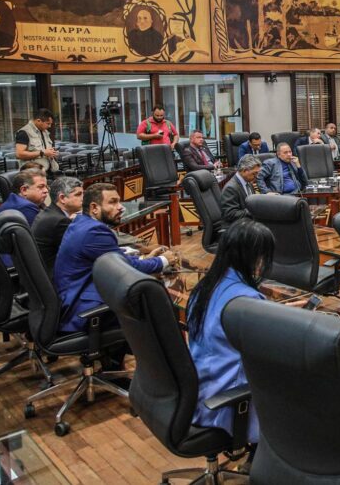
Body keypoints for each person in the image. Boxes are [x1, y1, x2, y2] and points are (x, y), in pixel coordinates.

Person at [187, 219, 274, 444]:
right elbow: (272, 352)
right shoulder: (248, 301)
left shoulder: (205, 287)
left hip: (199, 394)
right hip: (229, 406)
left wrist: (275, 312)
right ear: (253, 257)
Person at [54, 183, 170, 334]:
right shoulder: (94, 231)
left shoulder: (81, 222)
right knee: (155, 303)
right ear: (94, 208)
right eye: (113, 202)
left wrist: (144, 258)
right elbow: (126, 269)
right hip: (83, 310)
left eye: (119, 201)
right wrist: (164, 260)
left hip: (75, 295)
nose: (121, 207)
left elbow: (116, 259)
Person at [0, 169, 49, 266]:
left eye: (46, 186)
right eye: (41, 187)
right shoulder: (25, 207)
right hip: (10, 264)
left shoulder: (15, 200)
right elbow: (42, 242)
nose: (46, 190)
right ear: (24, 190)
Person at [32, 176, 83, 270]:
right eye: (78, 194)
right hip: (58, 277)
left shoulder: (49, 213)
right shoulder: (60, 221)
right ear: (62, 198)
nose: (82, 198)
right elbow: (80, 251)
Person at [15, 107, 60, 176]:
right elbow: (19, 154)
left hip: (48, 171)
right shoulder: (24, 132)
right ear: (38, 121)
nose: (50, 126)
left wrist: (52, 152)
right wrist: (42, 152)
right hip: (33, 174)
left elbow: (45, 150)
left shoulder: (44, 131)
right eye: (48, 123)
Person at [221, 155, 265, 225]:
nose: (256, 176)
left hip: (247, 222)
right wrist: (254, 211)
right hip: (236, 227)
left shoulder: (248, 182)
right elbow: (230, 214)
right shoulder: (231, 188)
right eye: (254, 173)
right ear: (245, 171)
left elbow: (251, 203)